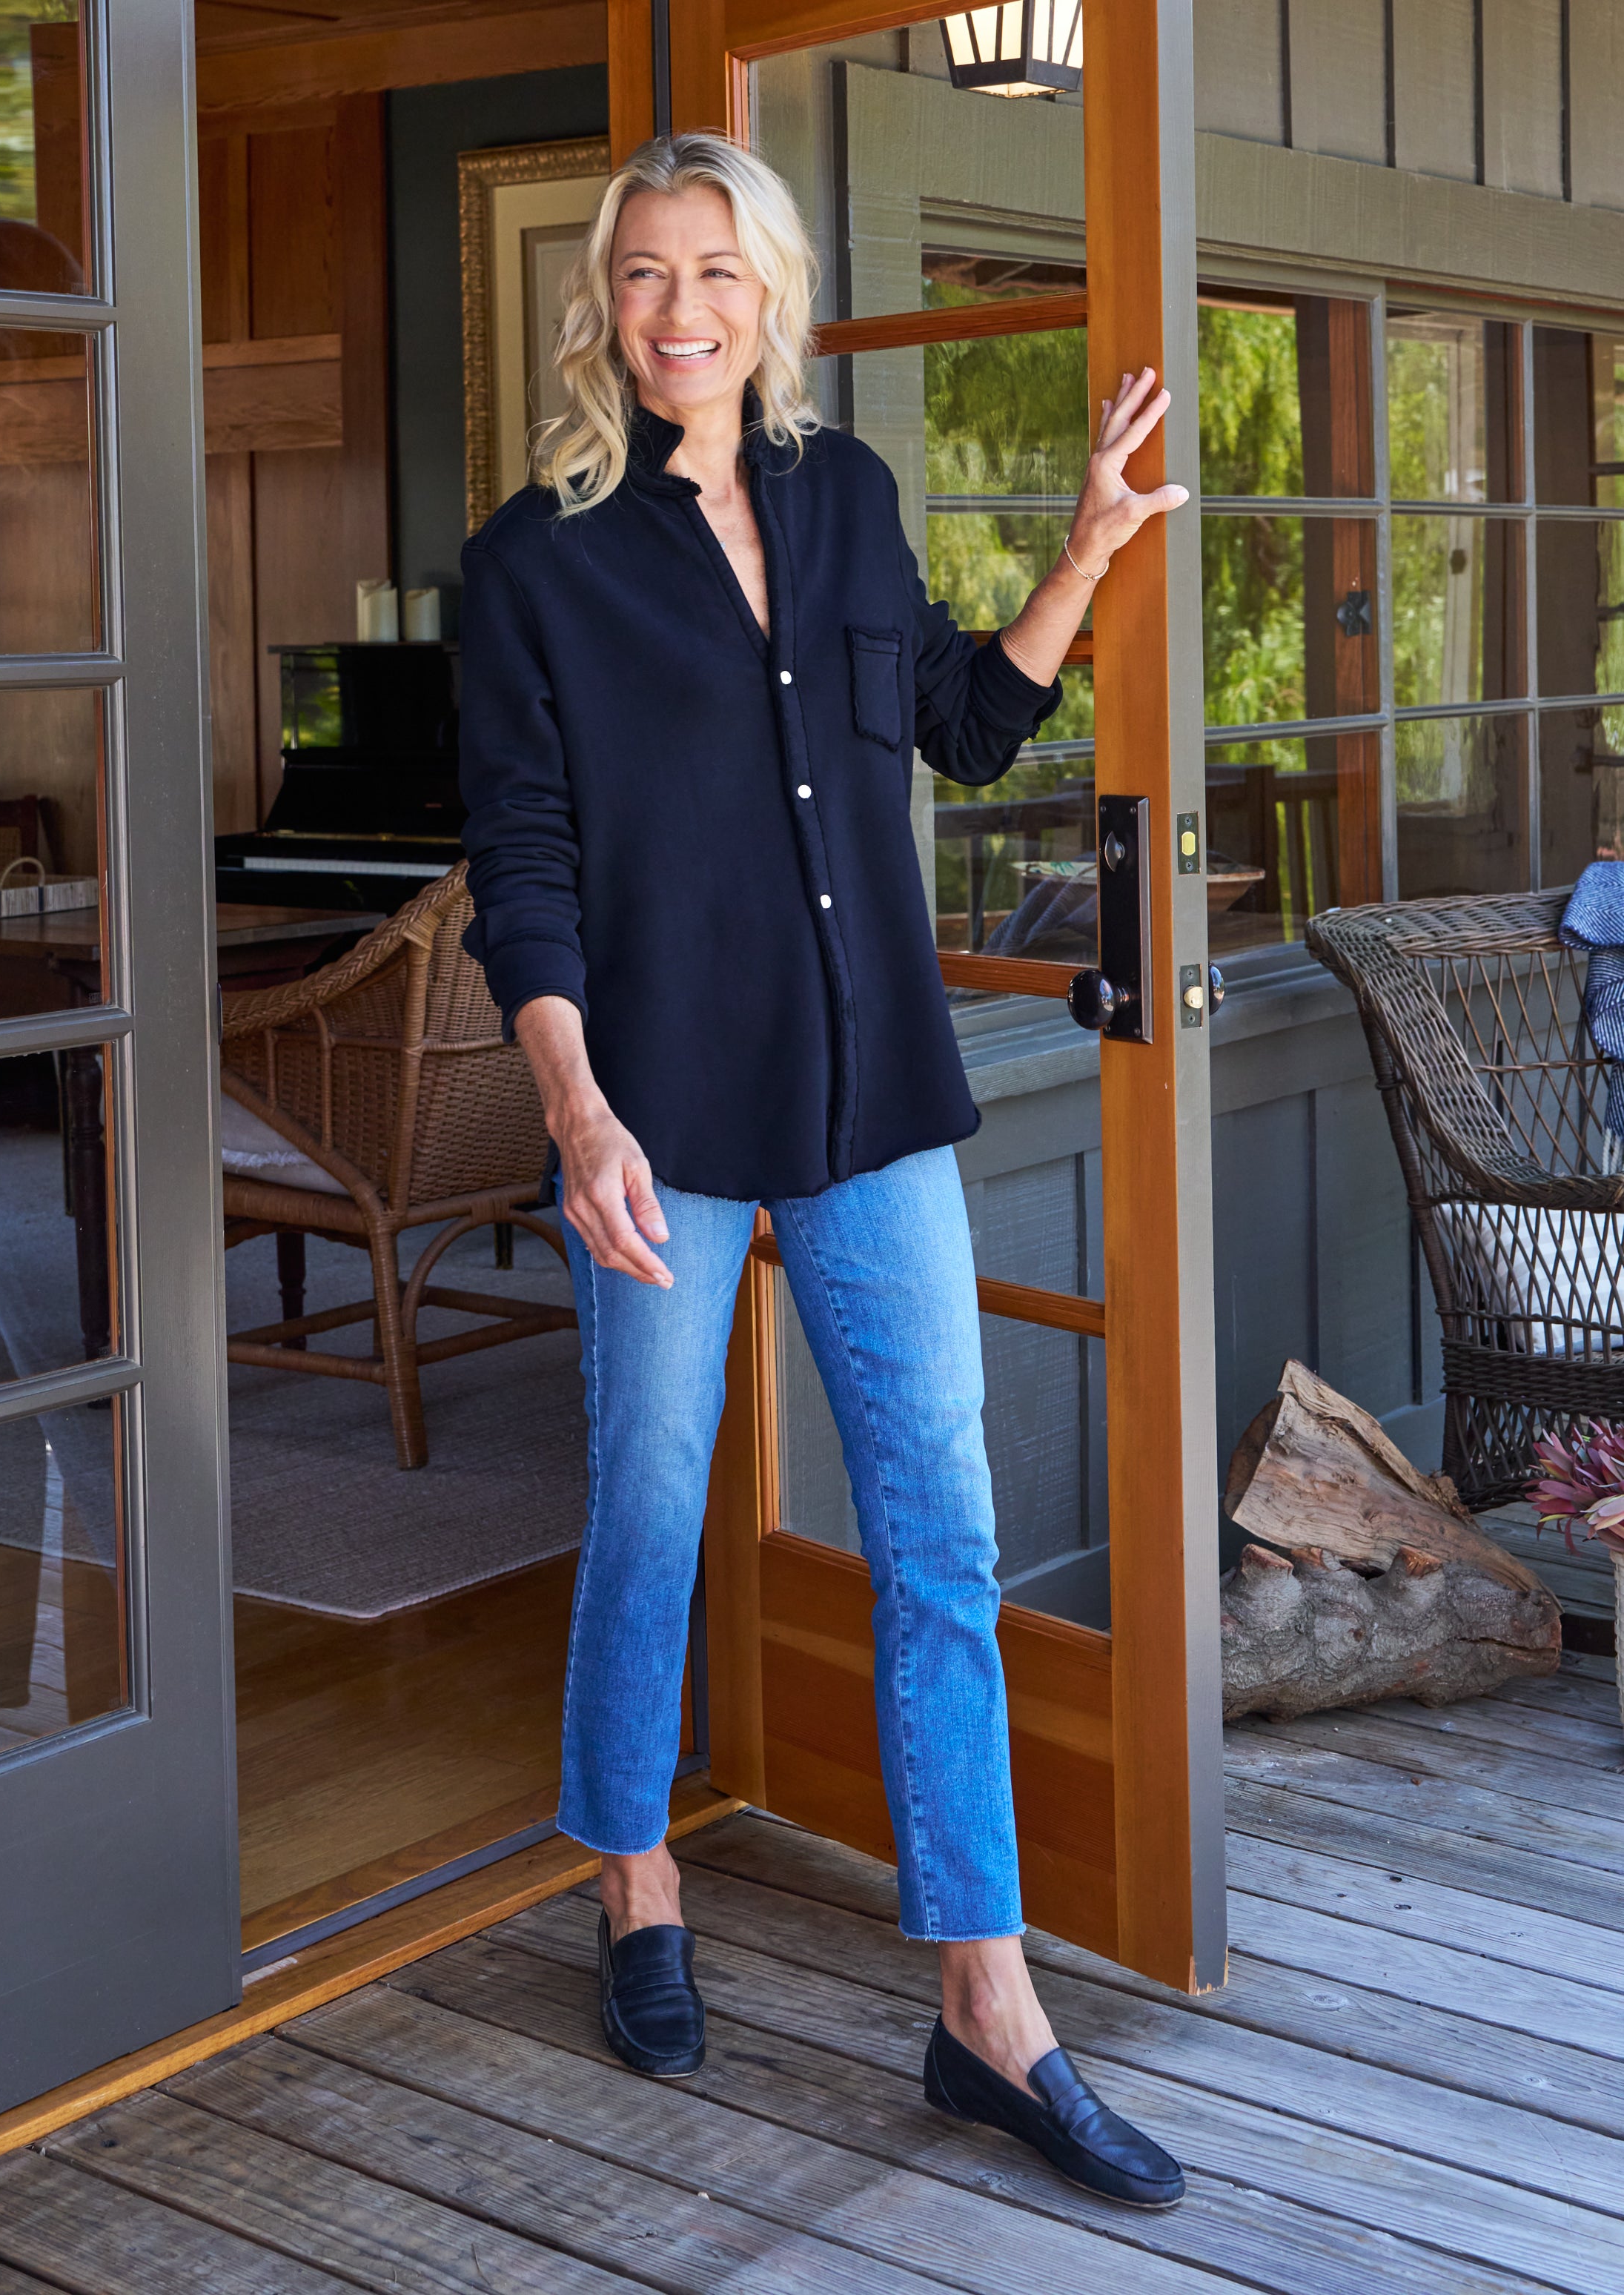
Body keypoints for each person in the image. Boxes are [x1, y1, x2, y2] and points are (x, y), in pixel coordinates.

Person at [459, 132, 1190, 2210]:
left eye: (715, 273)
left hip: (872, 1107)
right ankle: (633, 1877)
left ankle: (988, 2005)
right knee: (653, 1507)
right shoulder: (533, 564)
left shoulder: (848, 499)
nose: (678, 311)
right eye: (640, 276)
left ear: (767, 292)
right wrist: (577, 1109)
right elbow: (524, 874)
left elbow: (960, 727)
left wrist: (1080, 551)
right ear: (602, 304)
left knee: (939, 1540)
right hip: (657, 1120)